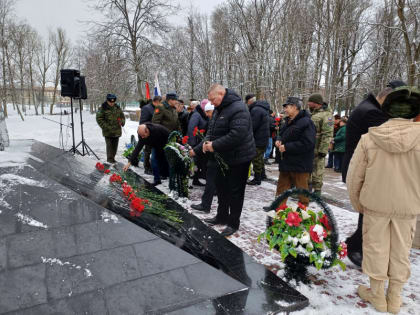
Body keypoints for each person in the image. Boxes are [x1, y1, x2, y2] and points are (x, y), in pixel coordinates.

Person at [346, 86, 420, 314]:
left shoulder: (370, 138)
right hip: (407, 206)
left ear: (387, 110)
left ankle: (377, 295)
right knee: (401, 251)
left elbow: (354, 177)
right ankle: (394, 298)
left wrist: (358, 203)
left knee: (375, 248)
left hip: (375, 205)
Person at [342, 79, 406, 267]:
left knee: (368, 212)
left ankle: (356, 246)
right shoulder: (372, 113)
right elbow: (393, 139)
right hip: (361, 170)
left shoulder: (368, 106)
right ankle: (357, 248)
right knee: (369, 212)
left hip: (359, 168)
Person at [191, 84, 256, 237]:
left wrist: (214, 145)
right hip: (223, 157)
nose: (211, 103)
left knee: (235, 192)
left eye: (213, 99)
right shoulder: (219, 109)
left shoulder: (239, 108)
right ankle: (221, 216)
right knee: (221, 188)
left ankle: (233, 223)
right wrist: (200, 148)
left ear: (221, 93)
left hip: (239, 157)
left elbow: (237, 134)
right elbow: (211, 133)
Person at [274, 96, 316, 205]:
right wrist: (278, 140)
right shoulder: (287, 121)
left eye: (287, 107)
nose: (285, 109)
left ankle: (302, 216)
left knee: (302, 193)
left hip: (300, 165)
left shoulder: (307, 122)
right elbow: (281, 134)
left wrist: (287, 147)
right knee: (281, 191)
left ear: (295, 107)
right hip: (286, 162)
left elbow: (308, 143)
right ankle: (277, 213)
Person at [191, 102, 217, 213]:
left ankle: (208, 206)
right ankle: (206, 205)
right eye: (205, 112)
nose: (206, 114)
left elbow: (209, 137)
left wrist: (196, 150)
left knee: (212, 178)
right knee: (211, 178)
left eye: (208, 111)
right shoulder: (213, 119)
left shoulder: (216, 119)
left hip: (218, 152)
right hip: (213, 152)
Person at [307, 93, 333, 196]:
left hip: (318, 148)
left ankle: (317, 191)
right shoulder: (313, 113)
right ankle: (306, 190)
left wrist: (323, 149)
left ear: (316, 103)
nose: (308, 103)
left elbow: (327, 133)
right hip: (309, 146)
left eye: (310, 102)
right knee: (308, 168)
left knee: (318, 169)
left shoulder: (326, 115)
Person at [246, 94, 270, 186]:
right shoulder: (262, 108)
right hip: (263, 137)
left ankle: (257, 178)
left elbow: (252, 125)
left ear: (249, 101)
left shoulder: (256, 110)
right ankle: (262, 175)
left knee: (256, 158)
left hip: (258, 139)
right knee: (260, 157)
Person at [96, 93, 125, 163]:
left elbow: (122, 116)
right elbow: (99, 119)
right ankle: (109, 161)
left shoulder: (117, 107)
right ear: (107, 101)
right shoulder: (103, 108)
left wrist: (122, 121)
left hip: (117, 131)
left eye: (113, 102)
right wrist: (107, 127)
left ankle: (113, 159)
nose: (112, 103)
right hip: (108, 132)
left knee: (115, 147)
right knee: (109, 147)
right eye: (110, 102)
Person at [187, 99, 209, 186]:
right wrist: (193, 144)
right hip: (196, 143)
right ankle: (195, 180)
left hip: (201, 142)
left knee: (200, 162)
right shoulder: (197, 115)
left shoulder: (202, 115)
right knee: (196, 162)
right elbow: (192, 128)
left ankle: (196, 180)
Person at [140, 96, 161, 175]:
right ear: (155, 101)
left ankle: (153, 166)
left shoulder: (157, 108)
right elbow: (143, 122)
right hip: (147, 132)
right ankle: (147, 167)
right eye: (160, 103)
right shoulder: (146, 108)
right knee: (147, 151)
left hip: (156, 133)